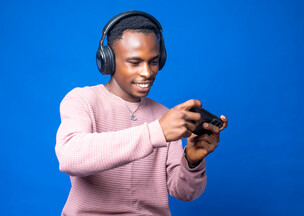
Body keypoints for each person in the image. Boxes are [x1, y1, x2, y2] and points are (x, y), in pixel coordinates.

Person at [55, 11, 228, 215]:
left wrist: (192, 162)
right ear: (108, 60)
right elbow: (70, 157)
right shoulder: (82, 100)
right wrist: (156, 133)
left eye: (153, 61)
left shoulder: (164, 116)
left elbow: (184, 192)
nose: (147, 72)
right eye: (135, 62)